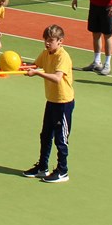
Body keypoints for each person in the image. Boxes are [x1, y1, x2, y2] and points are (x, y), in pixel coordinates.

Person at [21, 24, 75, 184]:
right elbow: (35, 65)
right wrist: (20, 67)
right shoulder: (46, 53)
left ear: (60, 41)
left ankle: (62, 170)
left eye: (51, 40)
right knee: (45, 135)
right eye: (46, 40)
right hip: (51, 100)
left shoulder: (62, 57)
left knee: (60, 138)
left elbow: (57, 78)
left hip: (63, 102)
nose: (47, 43)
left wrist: (37, 73)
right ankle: (42, 167)